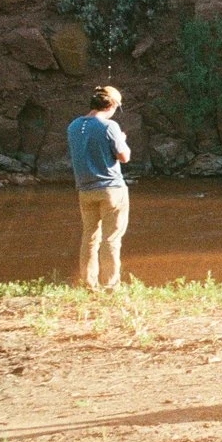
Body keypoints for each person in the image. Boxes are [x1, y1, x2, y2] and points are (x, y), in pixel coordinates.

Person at [67, 85, 132, 290]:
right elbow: (124, 157)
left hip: (85, 191)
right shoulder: (109, 126)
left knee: (89, 238)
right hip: (111, 189)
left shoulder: (73, 127)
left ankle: (88, 284)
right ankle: (111, 285)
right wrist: (121, 139)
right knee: (111, 239)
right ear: (111, 105)